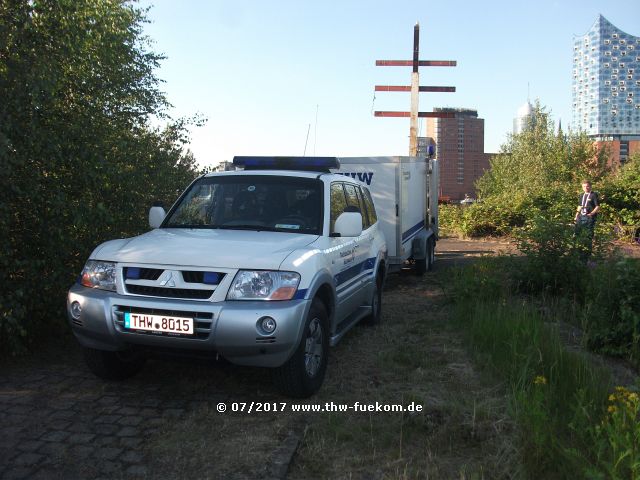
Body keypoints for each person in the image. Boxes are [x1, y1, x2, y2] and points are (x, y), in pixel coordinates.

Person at [574, 180, 600, 259]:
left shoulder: (594, 195)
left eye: (587, 186)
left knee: (588, 234)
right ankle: (578, 250)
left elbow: (597, 206)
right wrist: (576, 215)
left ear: (590, 186)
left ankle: (587, 253)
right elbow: (579, 206)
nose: (586, 188)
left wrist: (591, 214)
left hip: (589, 217)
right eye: (584, 186)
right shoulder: (581, 195)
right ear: (582, 187)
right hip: (581, 216)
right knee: (577, 232)